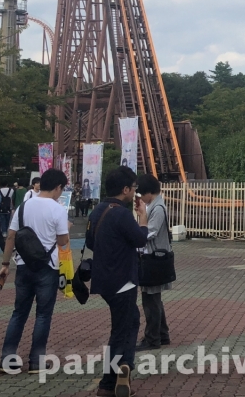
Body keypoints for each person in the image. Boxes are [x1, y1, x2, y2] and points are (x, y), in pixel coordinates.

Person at [0, 169, 71, 372]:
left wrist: (5, 264)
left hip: (23, 265)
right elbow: (62, 241)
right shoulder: (57, 209)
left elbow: (11, 236)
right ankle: (36, 361)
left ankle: (7, 359)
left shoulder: (23, 206)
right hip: (48, 267)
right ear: (58, 187)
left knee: (19, 313)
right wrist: (67, 229)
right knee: (43, 315)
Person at [87, 166, 149, 397]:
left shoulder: (98, 210)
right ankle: (110, 380)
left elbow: (91, 242)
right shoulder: (121, 213)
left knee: (130, 321)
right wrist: (143, 218)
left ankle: (125, 366)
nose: (135, 192)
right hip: (123, 279)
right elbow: (140, 239)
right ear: (125, 189)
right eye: (133, 188)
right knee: (121, 330)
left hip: (103, 279)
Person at [136, 174, 172, 351]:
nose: (141, 198)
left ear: (149, 192)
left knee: (150, 300)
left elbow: (150, 232)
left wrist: (137, 234)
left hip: (153, 259)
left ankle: (152, 339)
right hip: (154, 258)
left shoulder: (157, 208)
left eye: (142, 194)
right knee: (154, 299)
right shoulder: (155, 205)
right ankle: (162, 335)